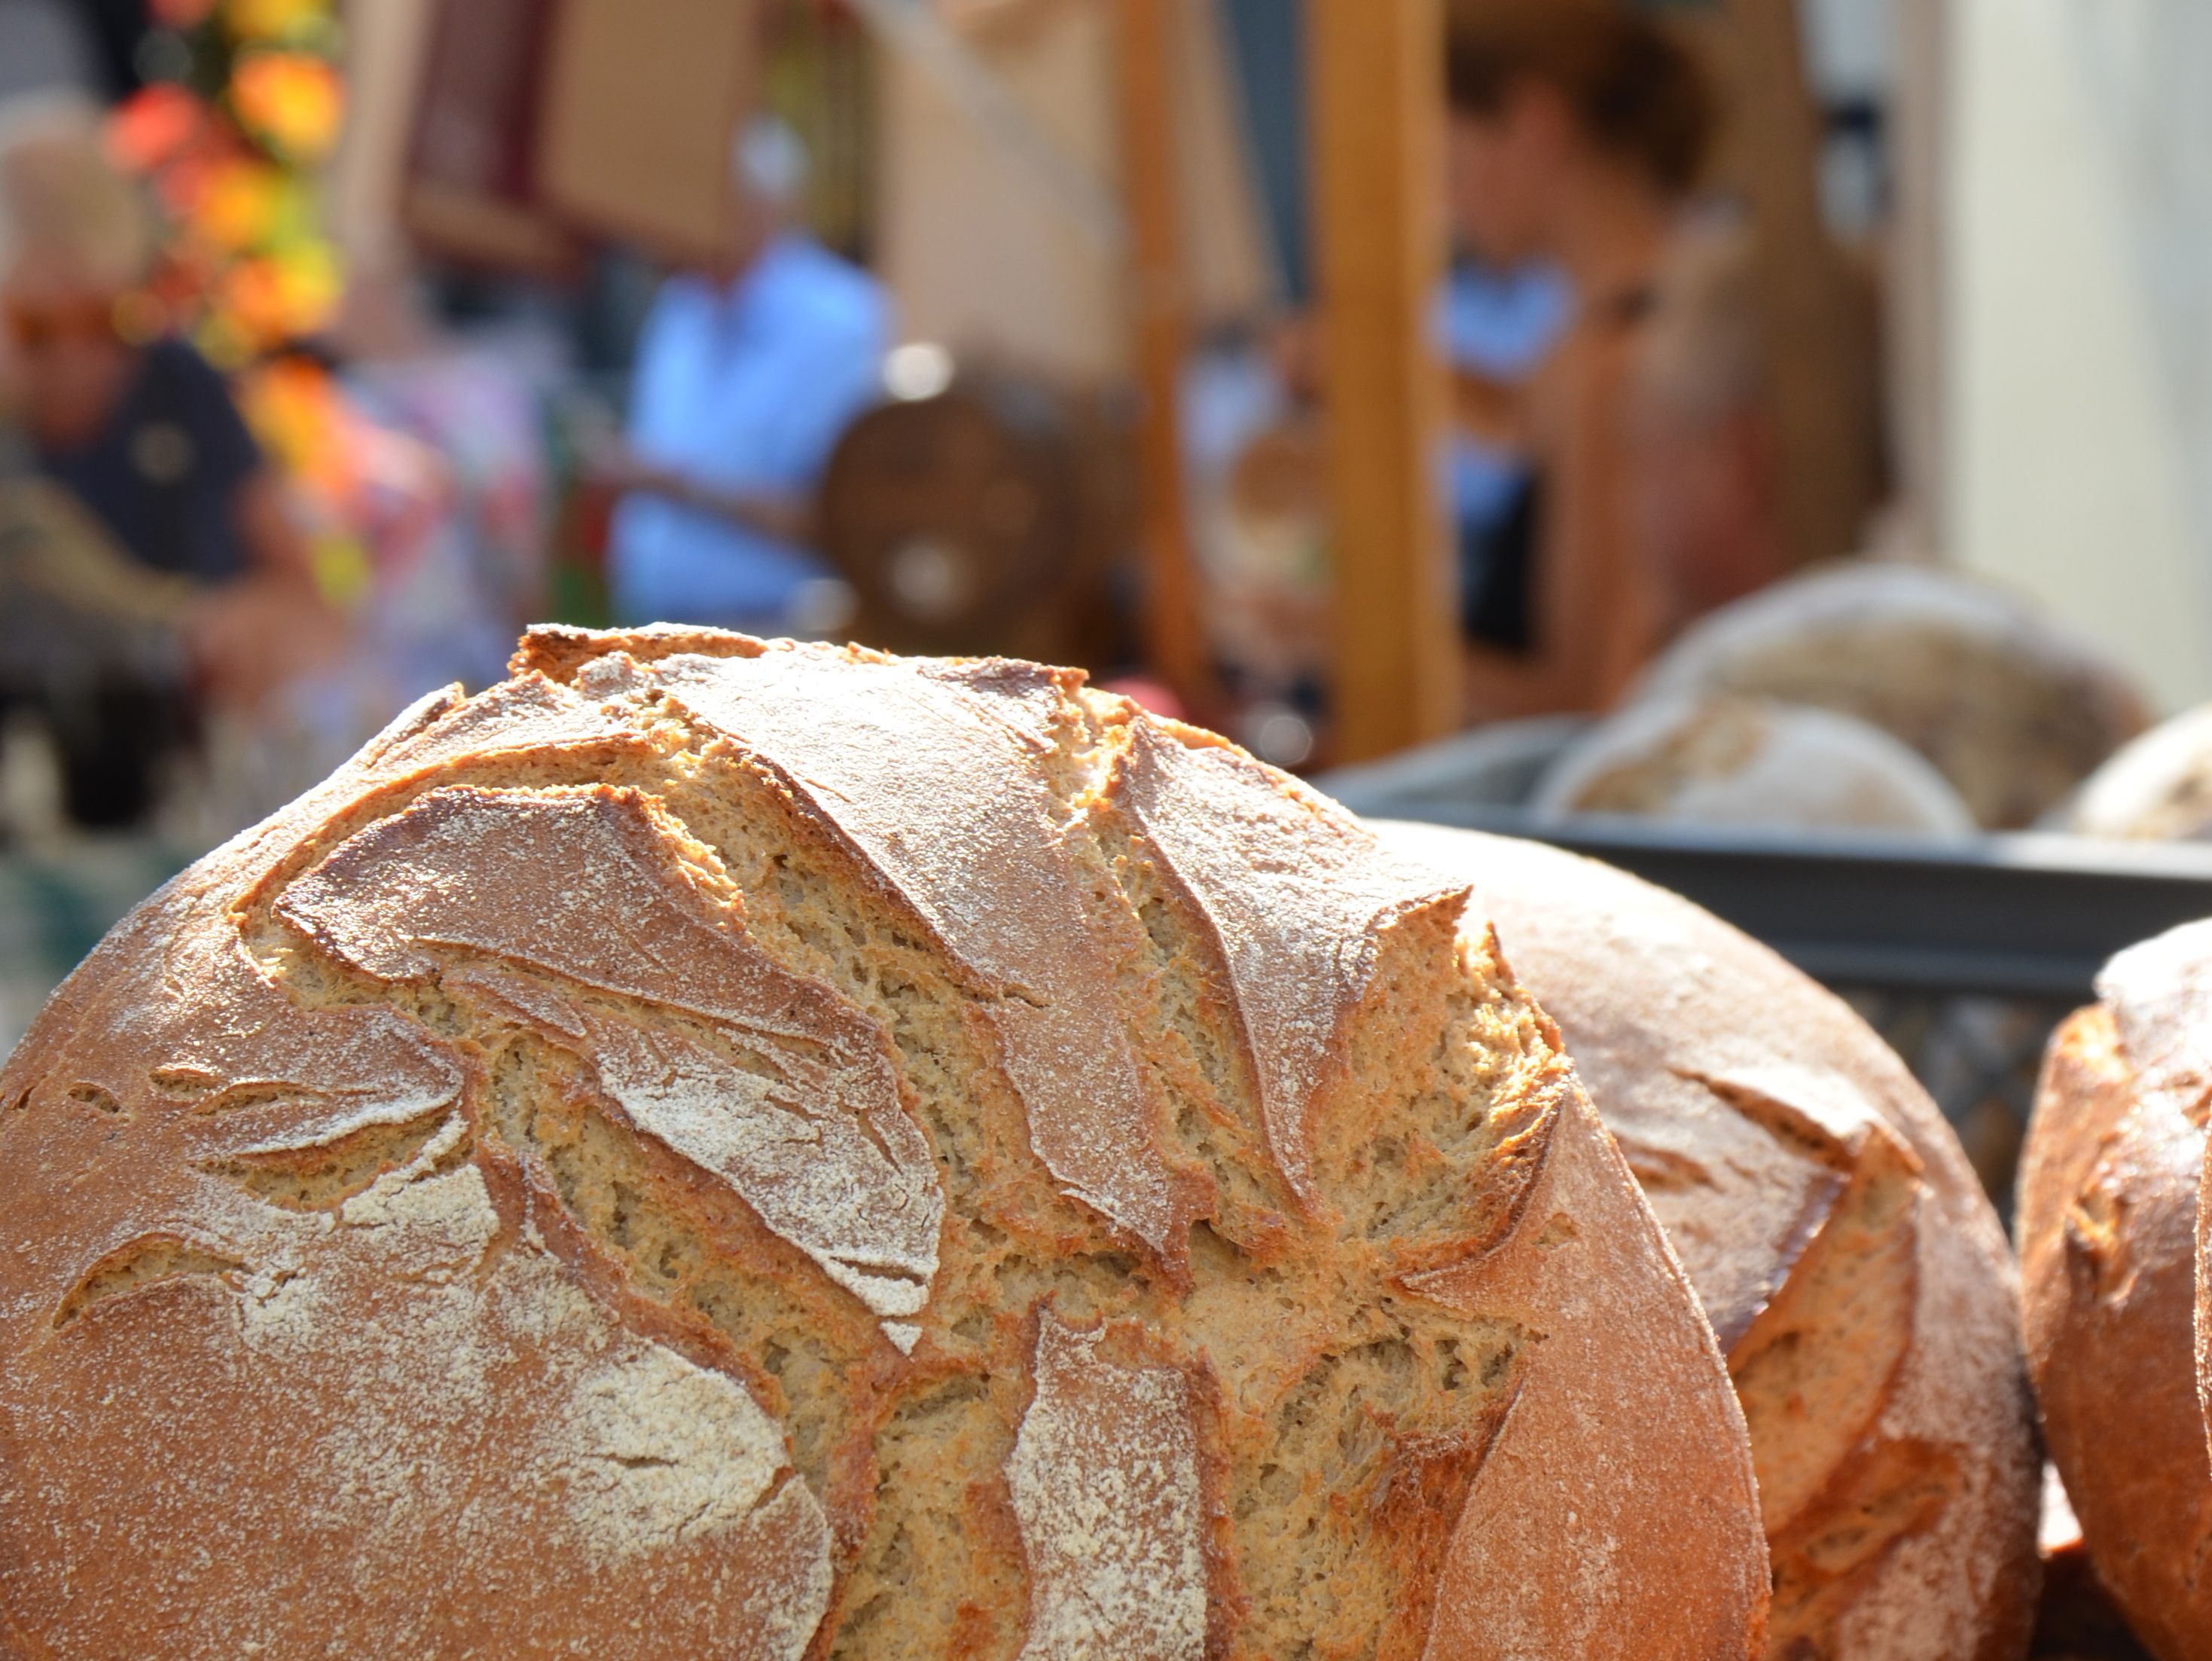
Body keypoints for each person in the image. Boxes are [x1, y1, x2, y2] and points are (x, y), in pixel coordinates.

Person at [1442, 0, 1782, 720]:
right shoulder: (1612, 333)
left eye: (1447, 158)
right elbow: (1524, 424)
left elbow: (1585, 706)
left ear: (1531, 124)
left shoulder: (1620, 367)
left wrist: (1363, 641)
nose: (1445, 203)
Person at [0, 102, 334, 818]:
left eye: (105, 320)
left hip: (182, 794)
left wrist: (248, 628)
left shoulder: (178, 385)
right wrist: (177, 624)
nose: (78, 360)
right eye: (37, 330)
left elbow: (305, 594)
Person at [598, 117, 891, 634]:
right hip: (652, 631)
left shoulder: (842, 320)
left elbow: (849, 517)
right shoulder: (681, 308)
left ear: (764, 206)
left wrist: (676, 485)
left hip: (780, 640)